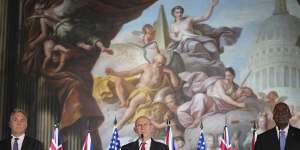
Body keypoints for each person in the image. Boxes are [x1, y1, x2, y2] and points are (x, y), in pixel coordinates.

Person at [106, 54, 180, 129]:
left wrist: (171, 72)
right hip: (136, 90)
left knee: (134, 101)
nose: (160, 65)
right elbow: (129, 73)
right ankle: (123, 102)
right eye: (159, 63)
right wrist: (114, 73)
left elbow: (175, 85)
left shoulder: (164, 73)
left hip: (148, 94)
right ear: (153, 62)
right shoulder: (146, 66)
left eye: (163, 64)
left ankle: (121, 123)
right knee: (119, 80)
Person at [177, 68, 247, 128]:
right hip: (213, 100)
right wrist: (238, 104)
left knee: (200, 97)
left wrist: (239, 96)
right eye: (226, 76)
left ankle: (197, 119)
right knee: (180, 110)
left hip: (218, 104)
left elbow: (242, 97)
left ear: (233, 76)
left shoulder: (236, 87)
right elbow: (223, 96)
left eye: (229, 76)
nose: (227, 78)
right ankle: (191, 124)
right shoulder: (220, 82)